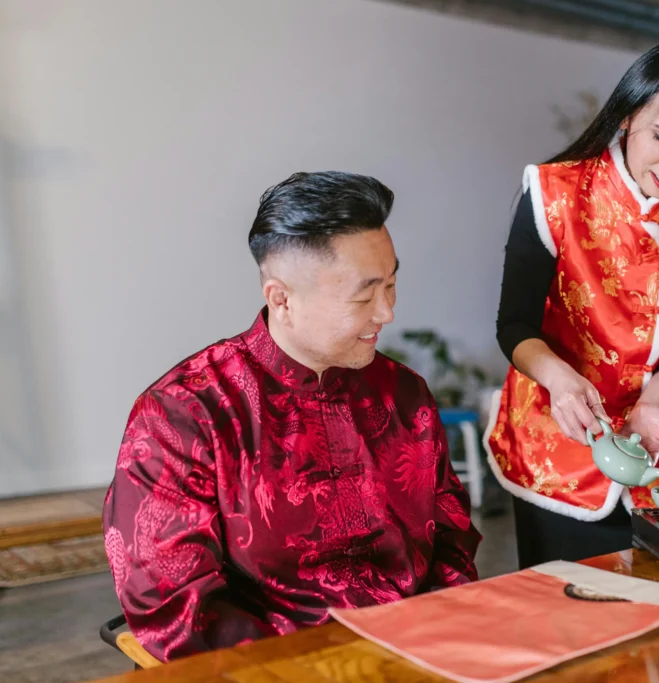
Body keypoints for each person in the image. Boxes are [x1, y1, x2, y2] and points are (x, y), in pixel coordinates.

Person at [103, 171, 481, 662]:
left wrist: (434, 642)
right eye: (364, 296)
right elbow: (175, 604)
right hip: (279, 666)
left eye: (391, 285)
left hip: (417, 652)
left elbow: (452, 536)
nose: (386, 312)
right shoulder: (185, 414)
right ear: (281, 298)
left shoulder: (404, 394)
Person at [486, 38, 659, 569]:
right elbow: (514, 324)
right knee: (560, 619)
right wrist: (560, 382)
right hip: (556, 439)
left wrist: (656, 402)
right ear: (629, 116)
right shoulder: (552, 193)